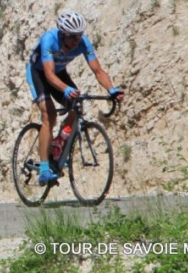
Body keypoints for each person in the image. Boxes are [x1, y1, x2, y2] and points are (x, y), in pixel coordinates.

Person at [27, 10, 124, 185]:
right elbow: (49, 75)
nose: (76, 40)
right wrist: (65, 89)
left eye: (79, 35)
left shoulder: (83, 42)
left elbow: (98, 71)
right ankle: (44, 169)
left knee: (76, 106)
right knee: (50, 115)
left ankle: (59, 142)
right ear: (63, 34)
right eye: (72, 36)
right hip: (39, 74)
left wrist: (112, 90)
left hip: (59, 73)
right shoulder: (49, 39)